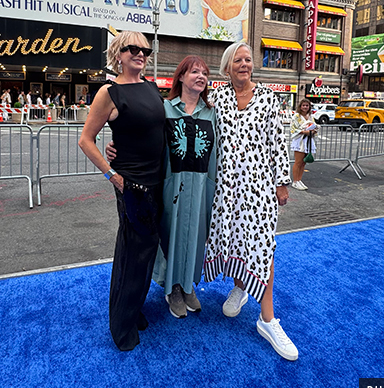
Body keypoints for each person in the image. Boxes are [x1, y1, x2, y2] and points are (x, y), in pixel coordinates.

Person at [204, 41, 296, 360]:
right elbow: (193, 126)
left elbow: (277, 144)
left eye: (248, 59)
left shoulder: (269, 99)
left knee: (262, 244)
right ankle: (240, 287)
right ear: (227, 67)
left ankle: (267, 319)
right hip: (226, 188)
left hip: (259, 187)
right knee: (233, 240)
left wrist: (281, 182)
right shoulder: (216, 99)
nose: (245, 64)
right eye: (238, 60)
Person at [106, 56, 217, 319]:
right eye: (194, 72)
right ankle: (172, 288)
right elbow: (139, 132)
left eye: (204, 73)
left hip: (201, 184)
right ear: (180, 77)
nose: (200, 76)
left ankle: (188, 285)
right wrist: (117, 150)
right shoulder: (164, 109)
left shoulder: (212, 113)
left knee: (195, 236)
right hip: (171, 184)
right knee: (170, 236)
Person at [78, 31, 165, 351]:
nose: (140, 54)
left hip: (158, 182)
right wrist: (111, 173)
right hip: (132, 185)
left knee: (146, 252)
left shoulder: (152, 87)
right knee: (133, 252)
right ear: (118, 53)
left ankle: (134, 308)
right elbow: (86, 140)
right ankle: (121, 325)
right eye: (133, 49)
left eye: (145, 49)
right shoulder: (109, 92)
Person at [290, 98, 318, 191]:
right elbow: (293, 129)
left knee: (303, 162)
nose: (305, 107)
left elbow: (315, 126)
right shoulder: (296, 116)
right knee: (298, 161)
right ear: (300, 106)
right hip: (300, 140)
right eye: (303, 105)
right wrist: (303, 132)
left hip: (308, 140)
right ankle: (295, 181)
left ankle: (299, 180)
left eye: (307, 105)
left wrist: (313, 131)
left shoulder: (310, 116)